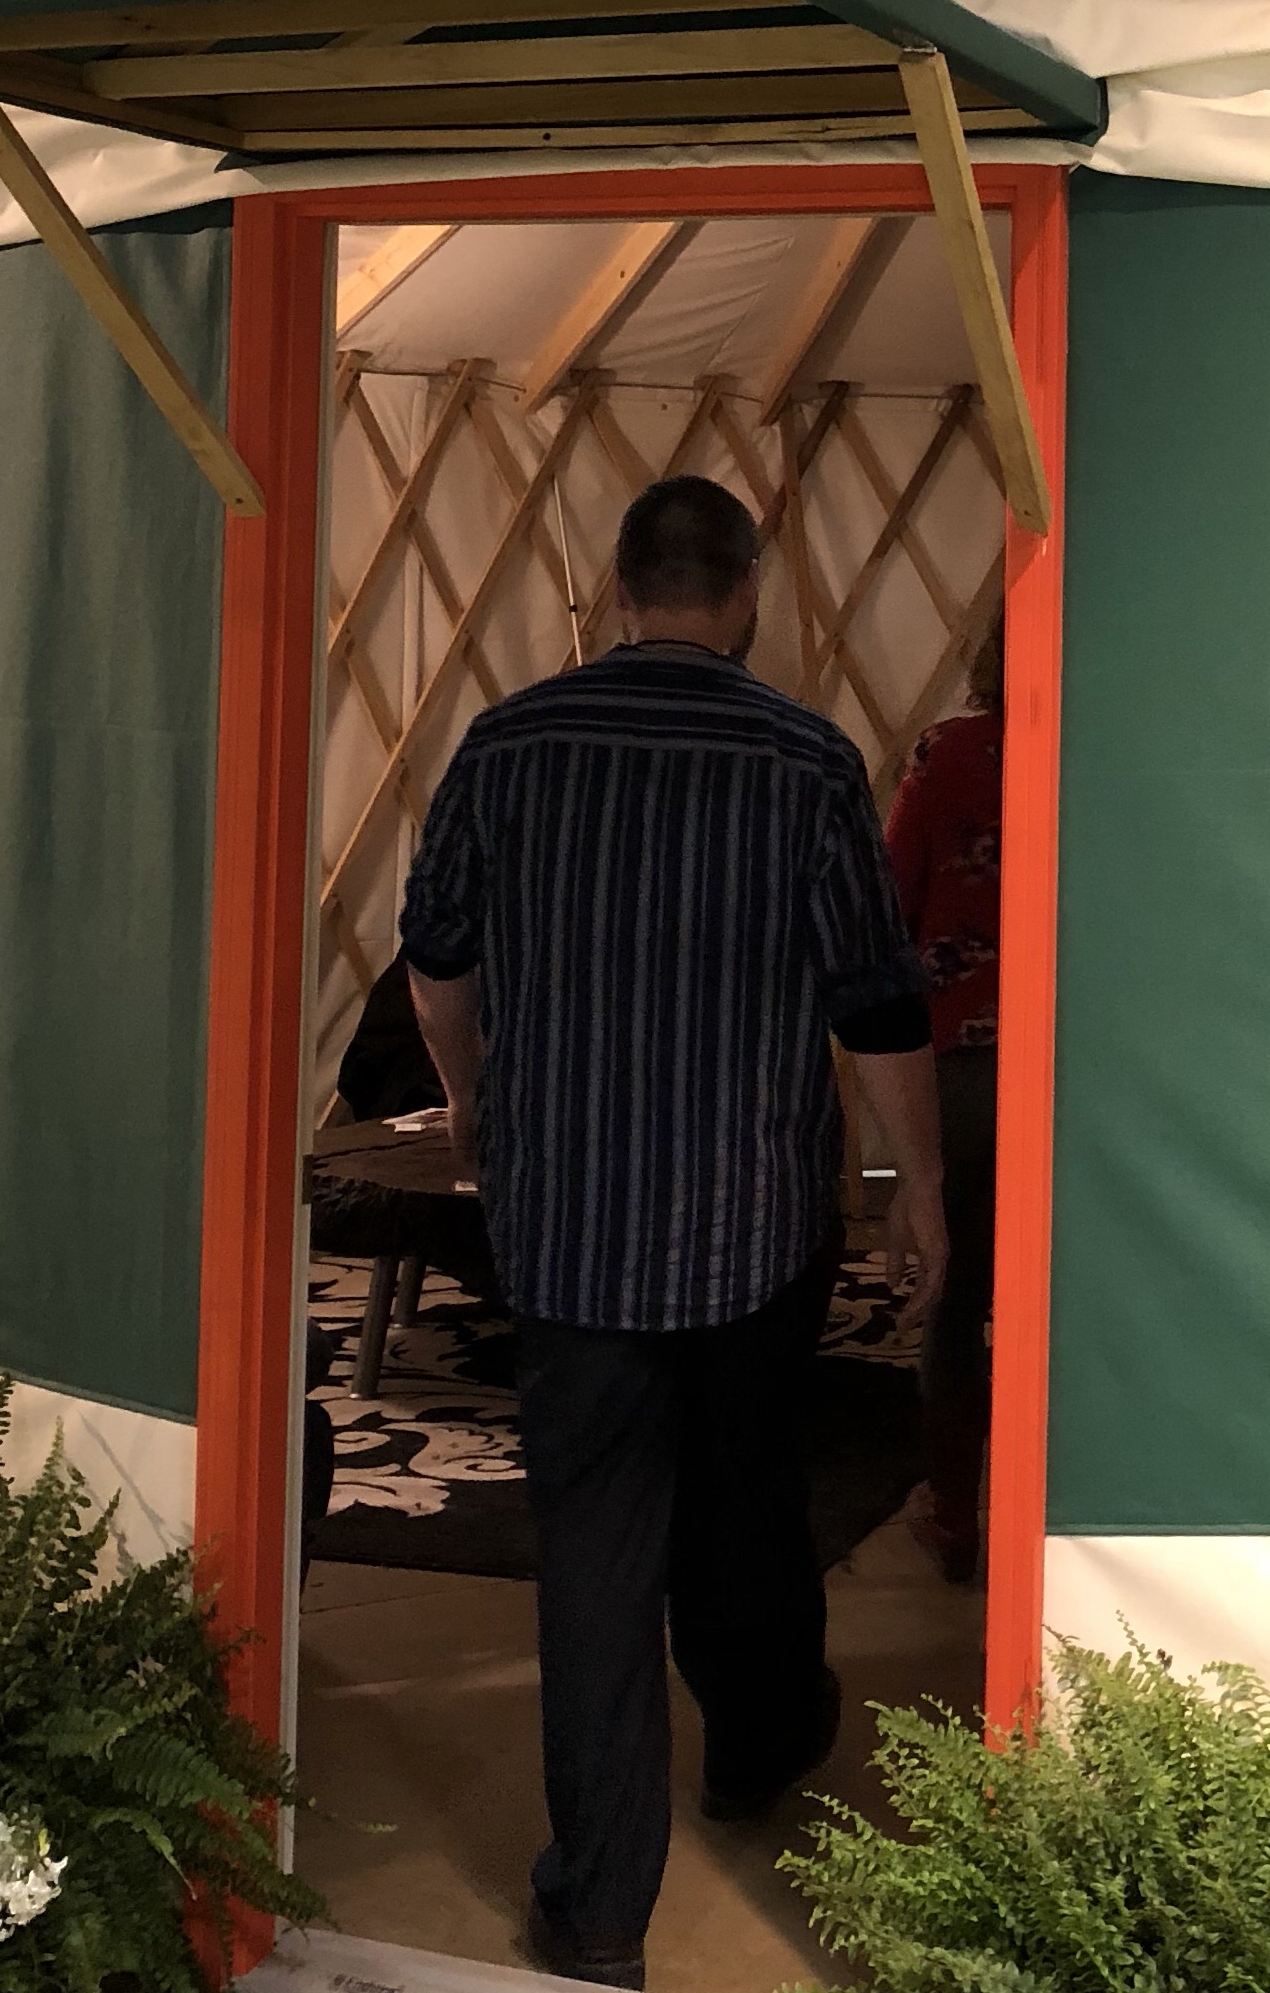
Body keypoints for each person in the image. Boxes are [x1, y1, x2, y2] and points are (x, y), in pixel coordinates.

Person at [399, 475, 946, 1992]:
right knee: (745, 1504)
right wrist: (927, 1193)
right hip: (751, 1230)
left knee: (592, 1554)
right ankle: (760, 1752)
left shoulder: (511, 744)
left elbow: (434, 953)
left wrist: (473, 1097)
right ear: (751, 591)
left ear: (613, 584)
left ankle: (597, 1915)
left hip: (570, 1229)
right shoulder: (807, 760)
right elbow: (879, 1000)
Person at [883, 618, 1003, 1584]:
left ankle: (957, 1512)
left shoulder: (950, 753)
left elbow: (889, 899)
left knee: (956, 1297)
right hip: (1076, 1069)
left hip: (959, 1061)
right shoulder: (1114, 760)